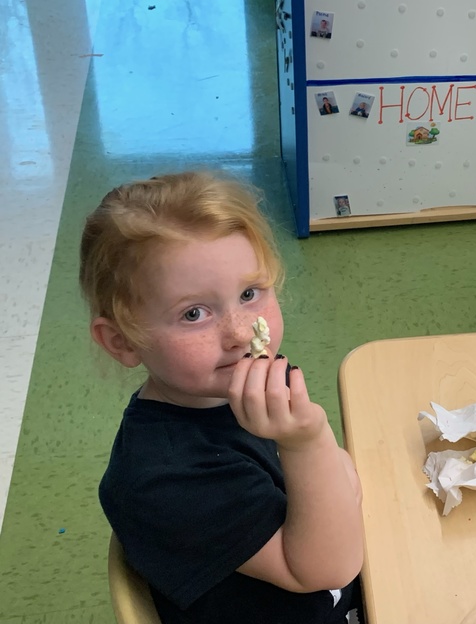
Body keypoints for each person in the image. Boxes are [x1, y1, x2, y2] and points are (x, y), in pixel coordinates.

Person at [81, 171, 364, 623]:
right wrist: (307, 444)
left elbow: (346, 477)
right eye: (194, 313)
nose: (239, 333)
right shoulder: (165, 478)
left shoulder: (245, 377)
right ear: (123, 342)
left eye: (250, 294)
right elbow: (328, 567)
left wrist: (323, 467)